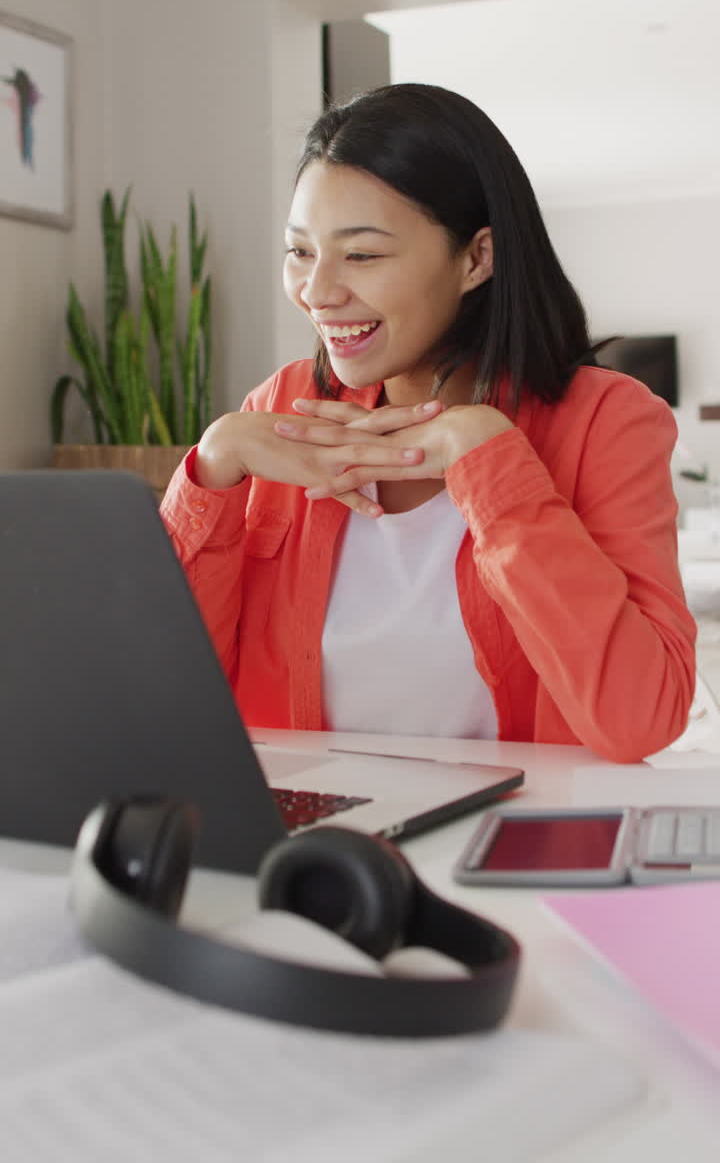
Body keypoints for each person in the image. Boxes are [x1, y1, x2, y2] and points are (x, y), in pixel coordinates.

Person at [161, 82, 695, 763]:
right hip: (309, 844)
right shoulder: (278, 409)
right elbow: (165, 696)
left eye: (362, 255)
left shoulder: (608, 421)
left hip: (508, 846)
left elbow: (641, 719)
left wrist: (490, 461)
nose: (318, 292)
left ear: (476, 258)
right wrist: (211, 467)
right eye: (301, 252)